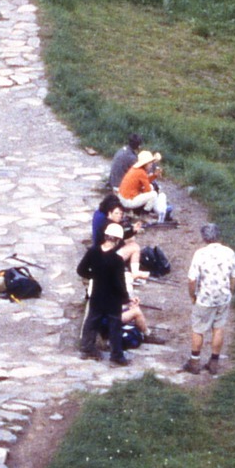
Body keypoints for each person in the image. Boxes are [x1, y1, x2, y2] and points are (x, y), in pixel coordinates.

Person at [185, 222, 235, 375]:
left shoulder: (200, 254)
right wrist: (230, 291)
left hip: (205, 298)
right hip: (223, 297)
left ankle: (194, 361)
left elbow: (192, 279)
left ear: (204, 237)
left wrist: (192, 296)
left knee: (198, 329)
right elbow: (234, 276)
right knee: (218, 328)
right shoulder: (229, 252)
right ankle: (214, 362)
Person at [76, 222, 131, 364]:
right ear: (118, 240)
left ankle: (87, 348)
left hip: (97, 294)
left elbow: (81, 270)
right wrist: (126, 298)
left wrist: (94, 276)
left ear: (106, 236)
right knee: (114, 327)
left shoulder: (93, 251)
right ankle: (116, 355)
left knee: (91, 322)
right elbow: (119, 283)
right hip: (113, 298)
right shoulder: (117, 260)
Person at [118, 151, 173, 224]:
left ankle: (137, 212)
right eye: (150, 163)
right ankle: (144, 215)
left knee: (149, 190)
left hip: (123, 198)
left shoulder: (136, 169)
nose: (151, 164)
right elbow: (148, 190)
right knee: (153, 194)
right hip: (128, 201)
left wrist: (154, 175)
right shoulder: (141, 172)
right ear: (145, 163)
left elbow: (145, 180)